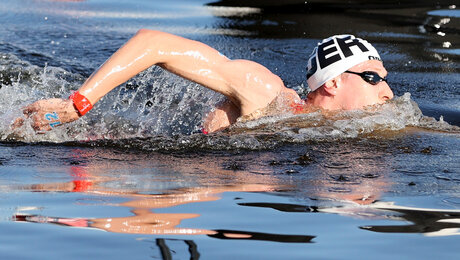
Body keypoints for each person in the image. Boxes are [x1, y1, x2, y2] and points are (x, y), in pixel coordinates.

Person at [16, 29, 393, 133]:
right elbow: (154, 42)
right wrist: (78, 104)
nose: (388, 91)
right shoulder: (267, 93)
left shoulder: (333, 132)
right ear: (332, 83)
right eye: (374, 78)